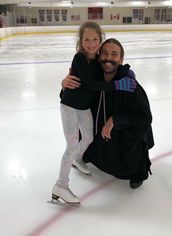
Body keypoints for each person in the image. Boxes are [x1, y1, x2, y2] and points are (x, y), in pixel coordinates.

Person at [52, 22, 137, 205]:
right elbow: (92, 84)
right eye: (87, 40)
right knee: (71, 145)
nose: (91, 44)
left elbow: (111, 68)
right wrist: (116, 85)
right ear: (81, 41)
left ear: (100, 40)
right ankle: (60, 185)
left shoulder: (99, 60)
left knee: (89, 137)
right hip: (69, 106)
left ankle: (77, 159)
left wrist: (127, 73)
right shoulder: (79, 59)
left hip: (83, 108)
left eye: (95, 39)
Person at [63, 38, 154, 190]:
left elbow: (145, 118)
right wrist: (65, 84)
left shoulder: (129, 85)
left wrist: (116, 121)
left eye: (114, 54)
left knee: (134, 142)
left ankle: (137, 171)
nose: (108, 59)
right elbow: (71, 101)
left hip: (120, 140)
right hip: (99, 138)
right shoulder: (91, 79)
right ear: (98, 57)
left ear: (121, 59)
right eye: (104, 53)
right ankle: (87, 155)